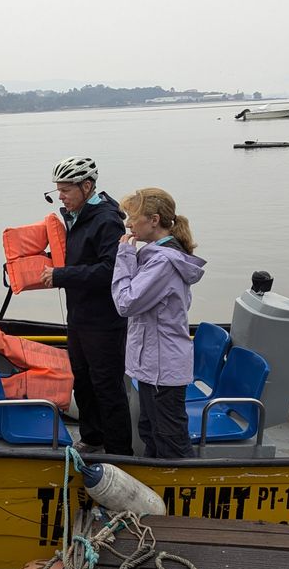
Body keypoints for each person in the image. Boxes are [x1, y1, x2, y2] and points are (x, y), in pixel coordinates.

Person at [40, 157, 133, 456]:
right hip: (79, 316)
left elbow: (109, 270)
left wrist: (61, 275)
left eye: (66, 190)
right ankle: (92, 438)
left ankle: (120, 453)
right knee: (82, 380)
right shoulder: (76, 215)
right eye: (58, 192)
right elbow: (79, 256)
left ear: (87, 186)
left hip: (104, 321)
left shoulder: (107, 220)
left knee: (108, 386)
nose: (61, 197)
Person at [112, 188, 205, 459]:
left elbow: (126, 303)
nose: (128, 224)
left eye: (133, 217)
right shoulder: (155, 256)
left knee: (171, 441)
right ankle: (157, 492)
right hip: (152, 367)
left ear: (154, 220)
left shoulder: (162, 263)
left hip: (163, 370)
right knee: (151, 433)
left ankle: (184, 492)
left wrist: (124, 256)